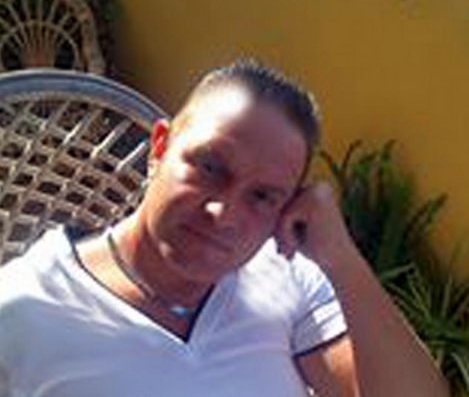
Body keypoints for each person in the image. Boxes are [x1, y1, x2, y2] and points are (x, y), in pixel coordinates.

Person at [0, 60, 448, 397]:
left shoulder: (286, 274)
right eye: (211, 167)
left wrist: (342, 259)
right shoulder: (23, 310)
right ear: (160, 147)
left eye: (263, 196)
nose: (224, 213)